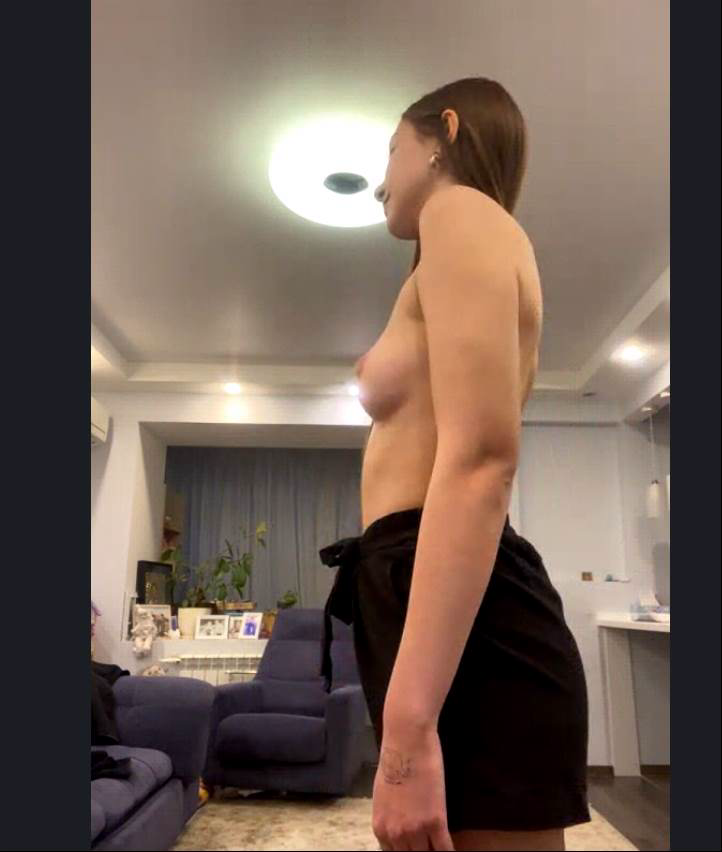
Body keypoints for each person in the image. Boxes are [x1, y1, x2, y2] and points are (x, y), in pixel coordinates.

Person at [319, 78, 590, 852]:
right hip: (423, 587)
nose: (381, 180)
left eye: (391, 151)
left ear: (444, 132)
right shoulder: (449, 242)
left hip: (465, 612)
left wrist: (405, 738)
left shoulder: (460, 211)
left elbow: (479, 461)